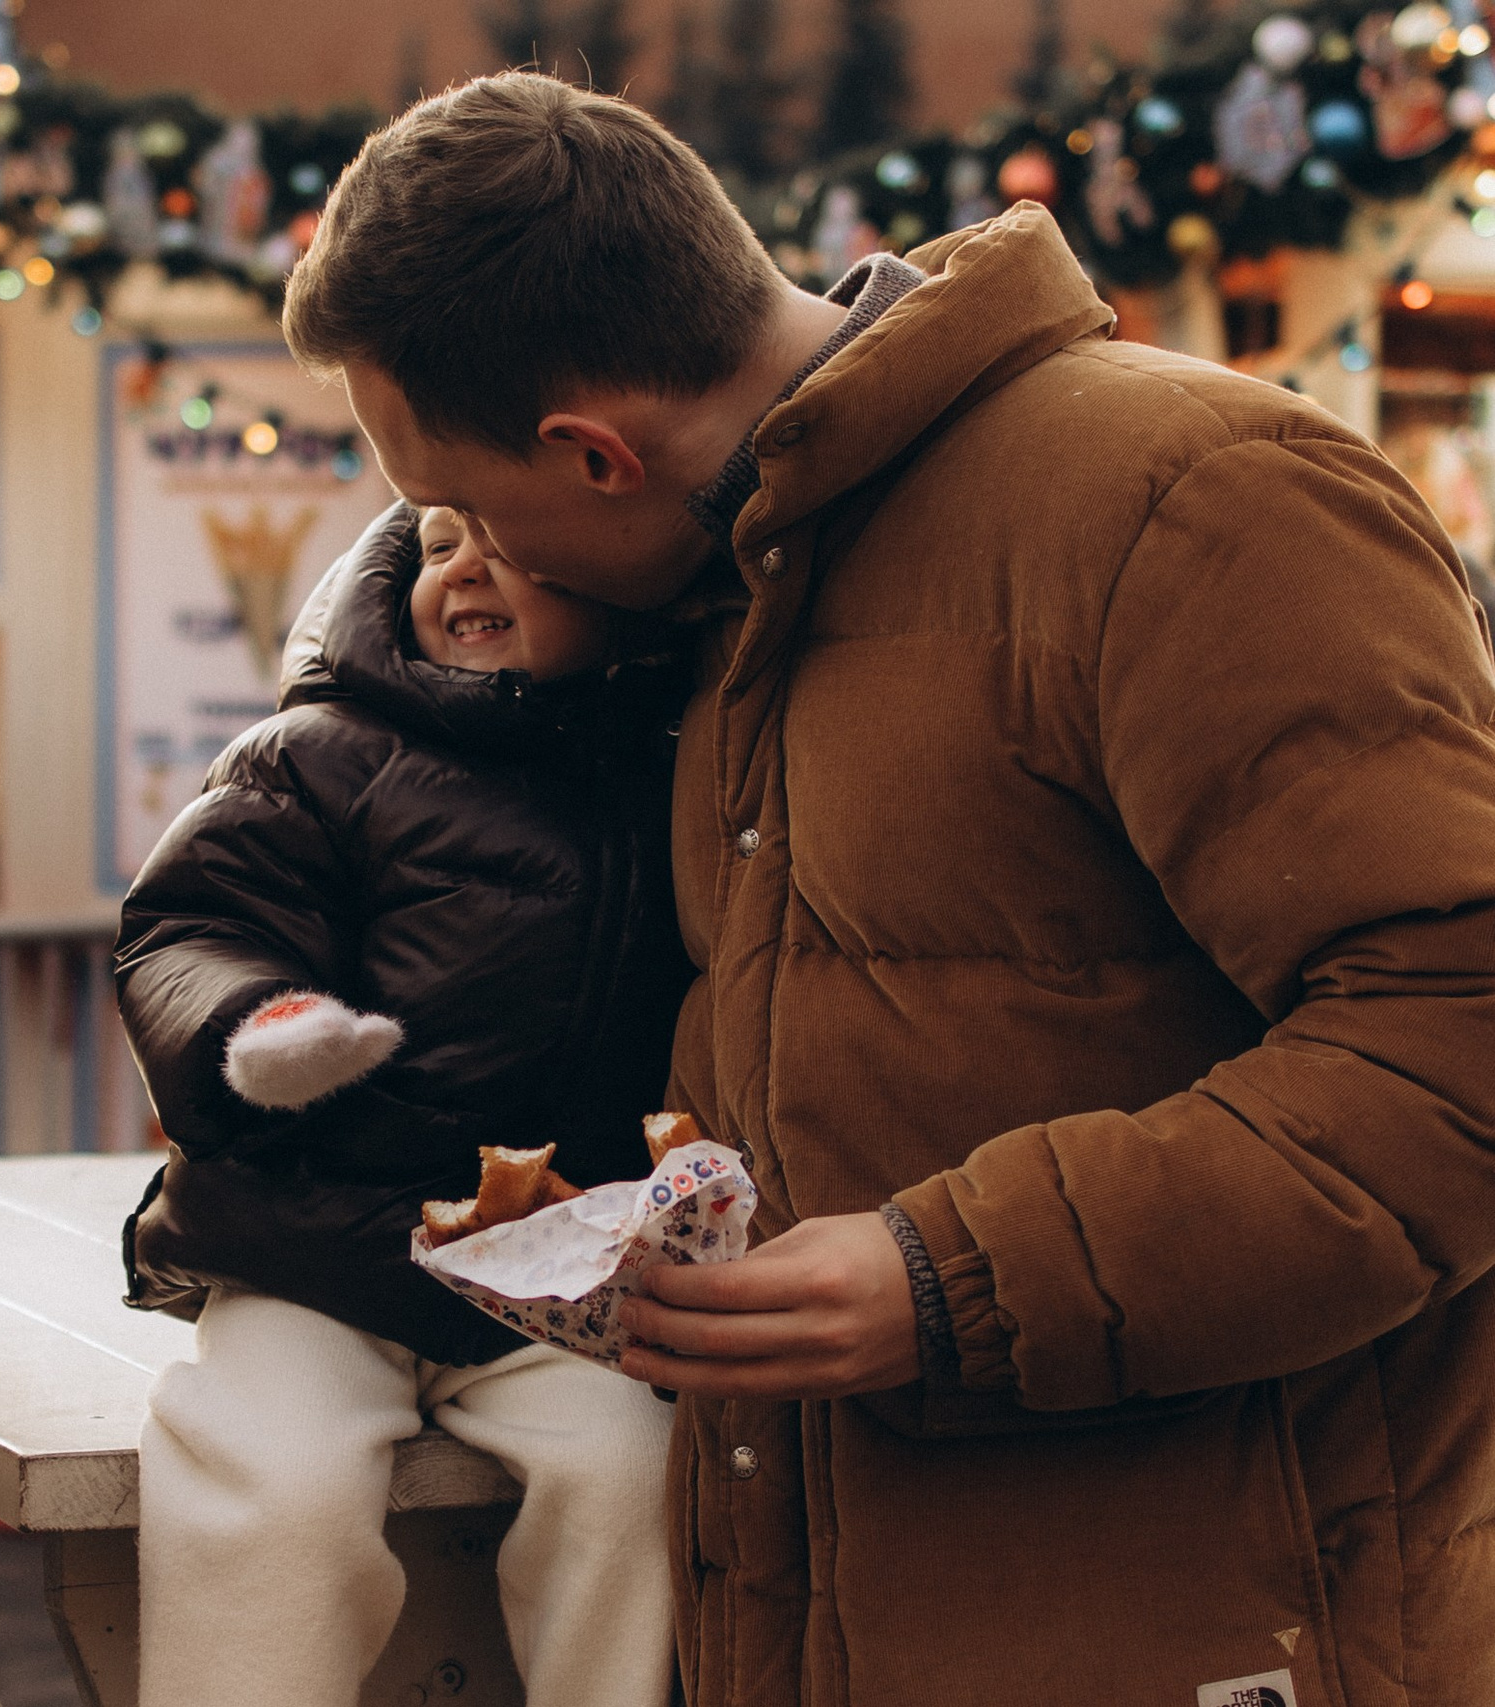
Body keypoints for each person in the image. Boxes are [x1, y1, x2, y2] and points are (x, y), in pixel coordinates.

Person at [282, 72, 1495, 1707]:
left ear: (596, 452)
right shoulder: (730, 599)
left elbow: (1459, 1043)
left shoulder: (1192, 498)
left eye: (480, 513)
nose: (485, 563)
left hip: (1213, 1625)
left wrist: (952, 1276)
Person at [116, 505, 695, 1707]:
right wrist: (254, 1026)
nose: (463, 566)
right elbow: (192, 924)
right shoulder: (316, 751)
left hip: (549, 1258)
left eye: (505, 539)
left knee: (637, 1472)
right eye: (435, 545)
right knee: (274, 1478)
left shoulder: (672, 768)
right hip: (314, 1245)